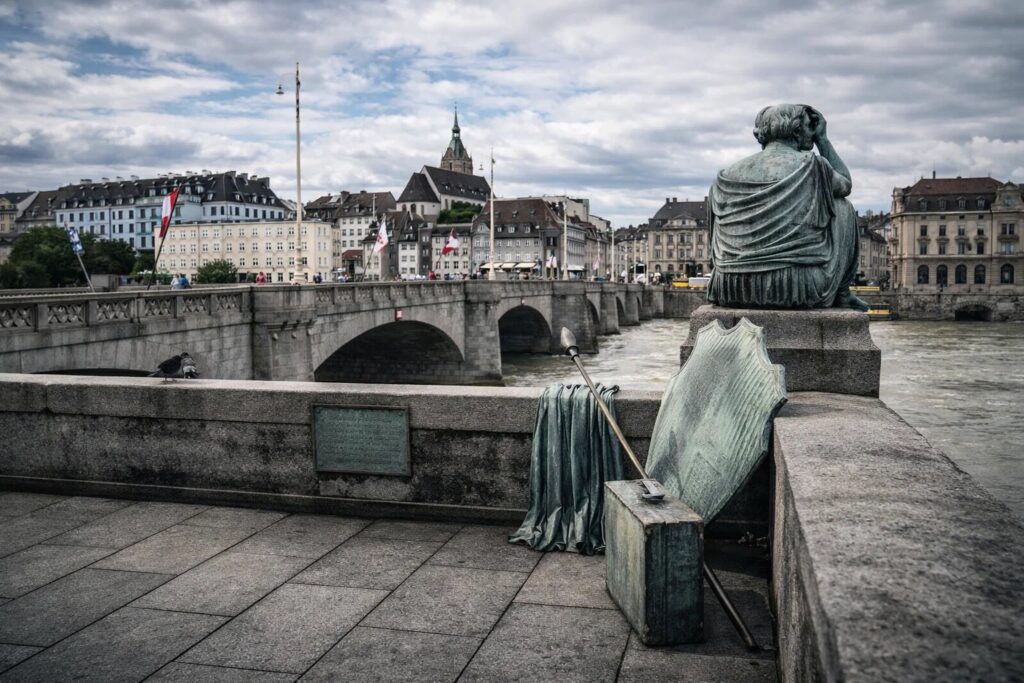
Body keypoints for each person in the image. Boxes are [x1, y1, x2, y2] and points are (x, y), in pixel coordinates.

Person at [707, 104, 868, 310]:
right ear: (797, 129)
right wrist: (823, 140)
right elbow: (845, 183)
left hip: (728, 288)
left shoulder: (725, 175)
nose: (812, 132)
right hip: (798, 288)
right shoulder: (814, 166)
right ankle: (843, 294)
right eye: (809, 126)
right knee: (843, 206)